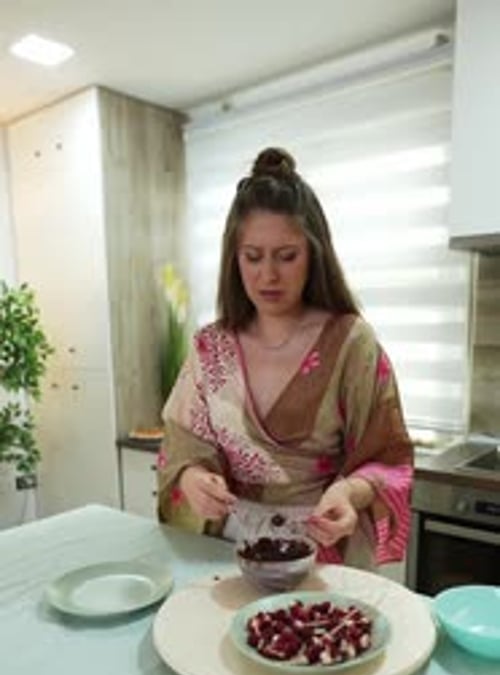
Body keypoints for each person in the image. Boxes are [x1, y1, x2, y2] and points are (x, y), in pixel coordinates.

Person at [157, 147, 413, 569]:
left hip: (320, 550)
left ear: (314, 253)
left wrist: (349, 493)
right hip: (228, 553)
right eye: (252, 257)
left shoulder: (350, 343)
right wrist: (193, 479)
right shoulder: (211, 347)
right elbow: (182, 444)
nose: (268, 275)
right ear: (233, 258)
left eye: (287, 256)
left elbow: (388, 457)